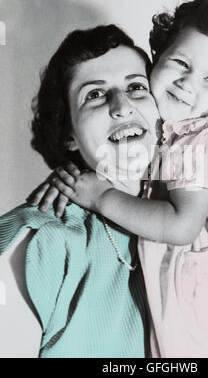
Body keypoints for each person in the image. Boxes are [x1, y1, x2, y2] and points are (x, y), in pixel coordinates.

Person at [32, 0, 208, 358]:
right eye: (179, 63)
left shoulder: (201, 138)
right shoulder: (169, 139)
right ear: (157, 60)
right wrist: (75, 172)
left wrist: (98, 195)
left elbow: (182, 226)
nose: (188, 85)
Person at [0, 25, 160, 357]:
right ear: (68, 133)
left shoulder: (203, 228)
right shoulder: (35, 242)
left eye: (136, 86)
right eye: (95, 94)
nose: (122, 105)